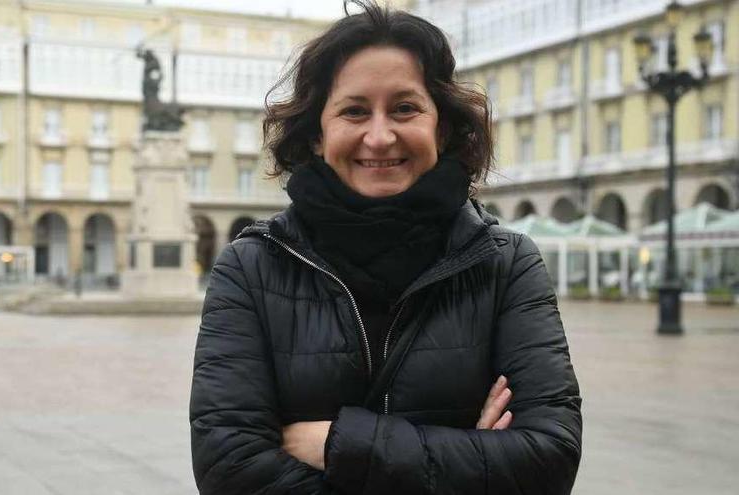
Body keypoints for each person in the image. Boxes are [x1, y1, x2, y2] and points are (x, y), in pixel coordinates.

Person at [189, 2, 582, 494]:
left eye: (404, 108)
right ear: (316, 134)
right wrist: (470, 460)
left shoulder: (506, 263)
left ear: (440, 126)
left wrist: (338, 442)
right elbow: (230, 470)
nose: (380, 136)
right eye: (354, 111)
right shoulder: (252, 267)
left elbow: (547, 462)